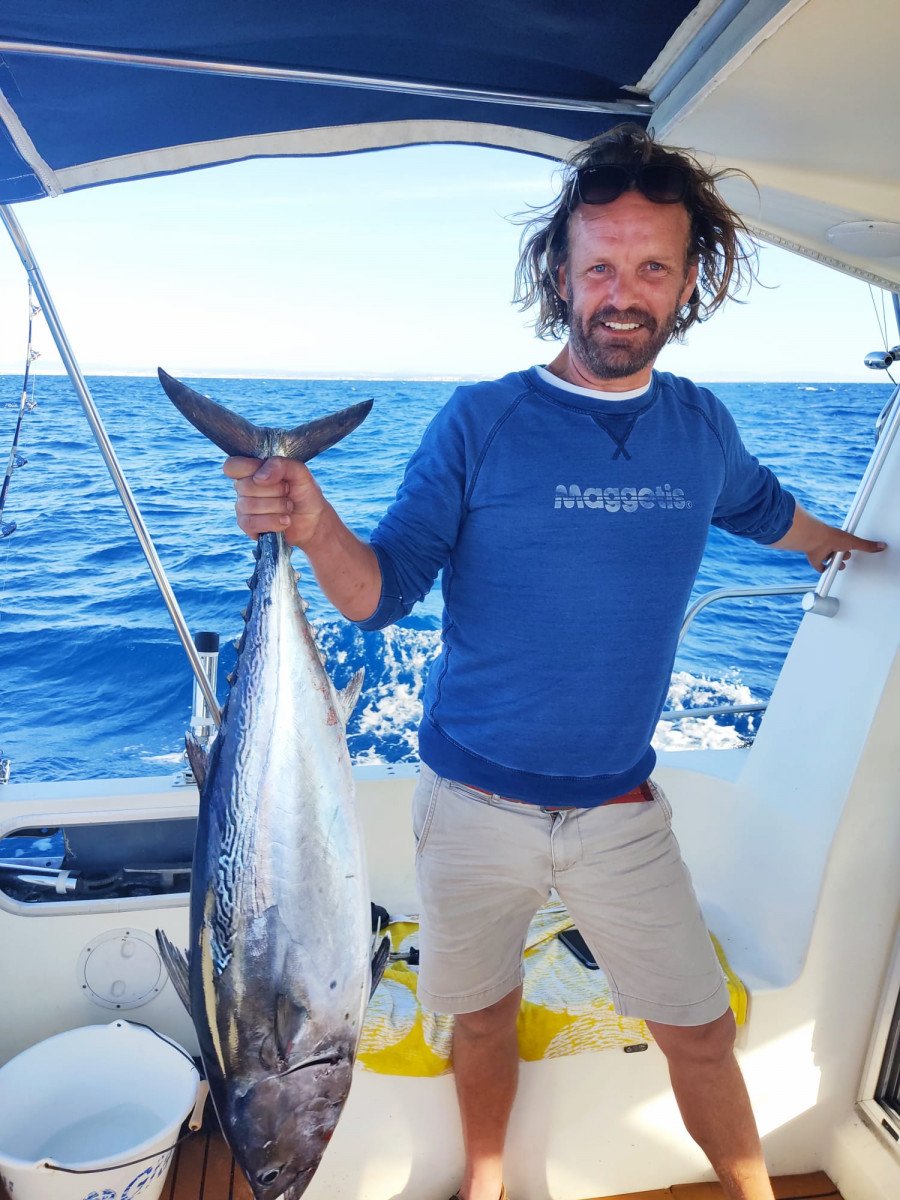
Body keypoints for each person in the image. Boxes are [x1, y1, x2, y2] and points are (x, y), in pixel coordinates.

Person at [225, 125, 886, 1200]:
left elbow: (774, 516)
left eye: (651, 268)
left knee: (703, 1035)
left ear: (690, 278)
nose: (623, 294)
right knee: (479, 1020)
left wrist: (854, 550)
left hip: (622, 813)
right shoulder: (482, 421)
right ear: (561, 275)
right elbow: (379, 592)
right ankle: (485, 1182)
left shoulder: (702, 428)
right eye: (600, 268)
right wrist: (305, 519)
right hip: (471, 803)